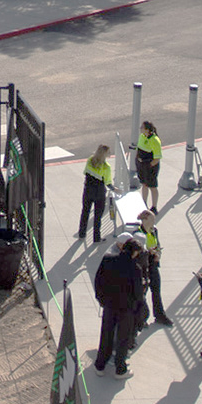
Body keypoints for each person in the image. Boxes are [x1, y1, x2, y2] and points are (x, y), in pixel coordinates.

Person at [92, 235, 144, 379]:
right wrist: (138, 311)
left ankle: (100, 364)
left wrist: (101, 299)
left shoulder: (108, 260)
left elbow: (98, 281)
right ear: (134, 252)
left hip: (109, 305)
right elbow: (138, 293)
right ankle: (120, 369)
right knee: (123, 338)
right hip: (126, 309)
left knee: (106, 334)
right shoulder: (135, 269)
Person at [136, 208, 171, 327]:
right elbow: (137, 251)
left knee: (156, 290)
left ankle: (159, 315)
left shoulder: (154, 230)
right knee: (143, 293)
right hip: (144, 265)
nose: (153, 222)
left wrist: (158, 254)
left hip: (153, 263)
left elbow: (158, 244)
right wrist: (148, 252)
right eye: (151, 220)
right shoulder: (138, 233)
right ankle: (141, 318)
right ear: (145, 220)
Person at [78, 144, 112, 243]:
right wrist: (115, 189)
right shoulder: (106, 167)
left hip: (88, 189)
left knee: (85, 212)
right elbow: (107, 182)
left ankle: (82, 234)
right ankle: (96, 237)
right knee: (98, 216)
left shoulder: (90, 160)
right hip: (99, 192)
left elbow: (85, 172)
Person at [134, 121, 162, 213]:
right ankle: (144, 203)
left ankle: (154, 207)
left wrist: (148, 166)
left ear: (147, 129)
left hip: (150, 167)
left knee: (152, 187)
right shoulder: (142, 136)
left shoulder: (154, 140)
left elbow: (157, 158)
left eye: (142, 127)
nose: (140, 128)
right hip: (141, 165)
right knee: (144, 184)